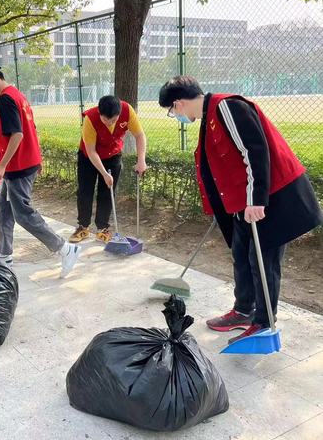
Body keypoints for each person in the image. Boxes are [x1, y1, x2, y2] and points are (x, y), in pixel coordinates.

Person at [158, 75, 322, 344]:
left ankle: (264, 323)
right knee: (241, 254)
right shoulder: (209, 117)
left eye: (171, 111)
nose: (175, 116)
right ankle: (243, 311)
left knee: (262, 260)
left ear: (178, 104)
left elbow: (254, 151)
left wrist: (256, 200)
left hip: (271, 198)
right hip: (244, 203)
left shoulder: (227, 107)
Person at [0, 62, 81, 278]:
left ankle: (65, 249)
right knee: (3, 213)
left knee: (23, 214)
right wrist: (36, 158)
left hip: (18, 167)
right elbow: (31, 129)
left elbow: (18, 134)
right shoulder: (17, 95)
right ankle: (3, 255)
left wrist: (2, 165)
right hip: (22, 163)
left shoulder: (6, 99)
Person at [69, 95, 148, 243]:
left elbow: (139, 135)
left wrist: (141, 160)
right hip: (89, 157)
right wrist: (104, 173)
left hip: (113, 155)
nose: (109, 124)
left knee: (108, 192)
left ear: (119, 113)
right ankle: (83, 227)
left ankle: (102, 228)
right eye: (106, 120)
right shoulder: (90, 119)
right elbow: (91, 151)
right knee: (85, 191)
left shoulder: (127, 111)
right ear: (100, 113)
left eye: (113, 120)